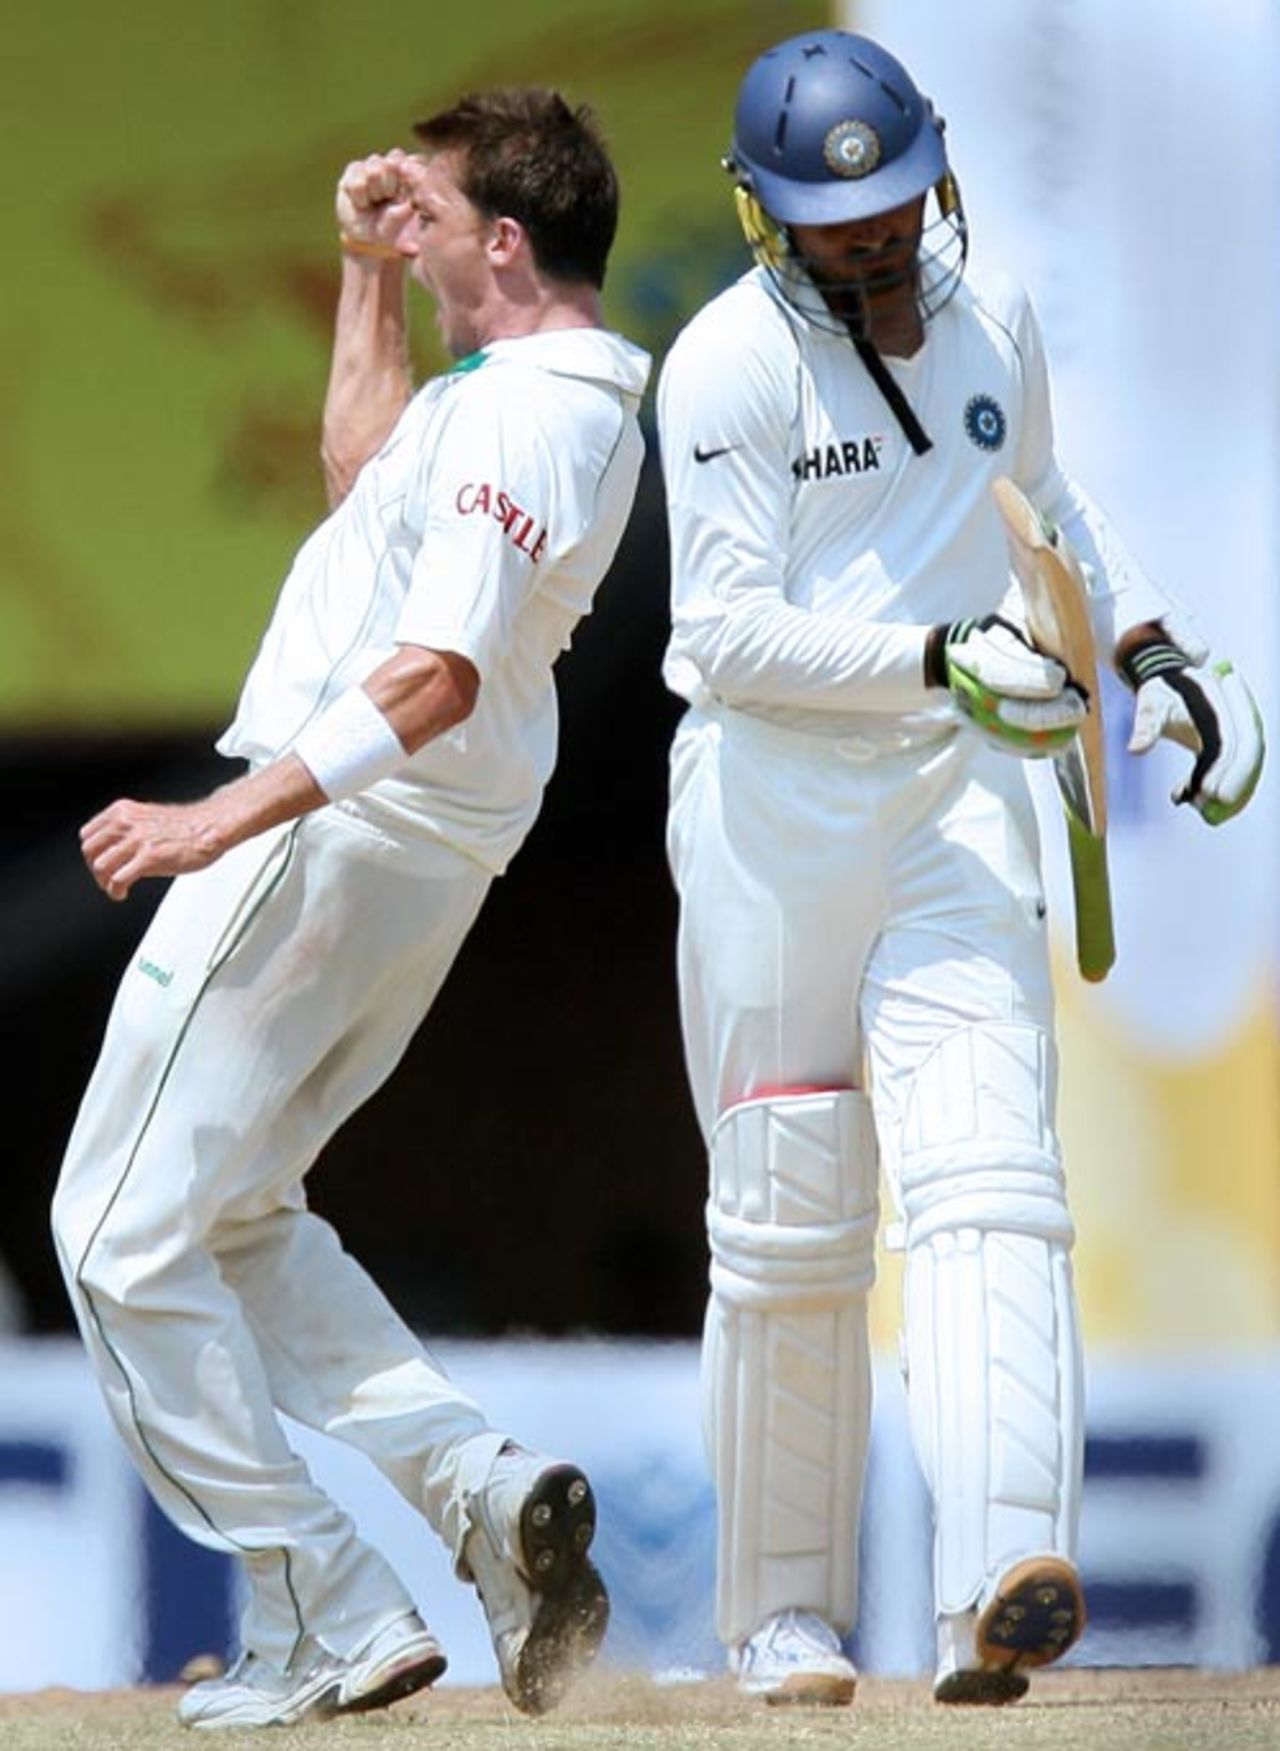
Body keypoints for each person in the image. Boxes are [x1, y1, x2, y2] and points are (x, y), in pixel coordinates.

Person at [656, 29, 1263, 1710]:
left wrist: (1156, 653)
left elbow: (1045, 504)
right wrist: (941, 660)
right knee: (790, 1215)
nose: (880, 244)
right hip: (774, 810)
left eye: (903, 206)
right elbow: (721, 630)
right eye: (839, 226)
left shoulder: (994, 315)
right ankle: (783, 1616)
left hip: (953, 805)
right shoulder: (719, 367)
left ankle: (999, 1574)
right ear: (769, 219)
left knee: (995, 1180)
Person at [51, 88, 650, 1731]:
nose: (417, 227)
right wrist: (365, 273)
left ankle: (319, 1598)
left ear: (508, 240)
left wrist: (213, 816)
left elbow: (436, 669)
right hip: (409, 858)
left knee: (109, 1236)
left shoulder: (534, 414)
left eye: (437, 219)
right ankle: (474, 1489)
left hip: (327, 838)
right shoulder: (525, 395)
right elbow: (354, 475)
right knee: (232, 1220)